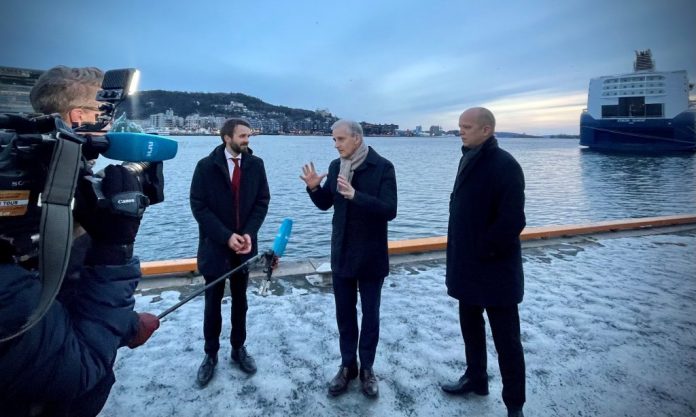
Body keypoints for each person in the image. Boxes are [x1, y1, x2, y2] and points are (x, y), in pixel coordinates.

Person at [0, 66, 159, 417]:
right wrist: (115, 249)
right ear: (78, 118)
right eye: (106, 115)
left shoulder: (41, 170)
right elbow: (75, 369)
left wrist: (127, 326)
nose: (111, 126)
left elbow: (69, 294)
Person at [300, 119, 397, 398]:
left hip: (371, 256)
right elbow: (326, 204)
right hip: (342, 253)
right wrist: (314, 188)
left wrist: (356, 195)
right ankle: (347, 366)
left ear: (357, 138)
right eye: (334, 139)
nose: (336, 144)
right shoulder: (336, 166)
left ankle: (367, 369)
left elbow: (389, 210)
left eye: (340, 139)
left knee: (370, 315)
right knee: (344, 314)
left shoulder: (383, 167)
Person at [440, 107, 526, 417]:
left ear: (486, 130)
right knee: (471, 327)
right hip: (468, 267)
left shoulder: (505, 165)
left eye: (466, 126)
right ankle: (476, 379)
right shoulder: (469, 157)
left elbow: (513, 220)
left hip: (495, 270)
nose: (460, 131)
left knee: (507, 340)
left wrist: (483, 251)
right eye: (459, 126)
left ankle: (514, 404)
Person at [190, 117, 270, 387]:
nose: (247, 140)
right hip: (215, 246)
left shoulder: (256, 165)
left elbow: (262, 201)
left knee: (240, 301)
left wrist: (248, 233)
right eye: (243, 136)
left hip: (244, 247)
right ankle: (210, 354)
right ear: (227, 138)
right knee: (212, 302)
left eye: (249, 135)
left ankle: (238, 349)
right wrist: (226, 236)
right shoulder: (205, 166)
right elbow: (198, 206)